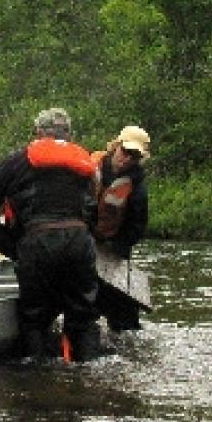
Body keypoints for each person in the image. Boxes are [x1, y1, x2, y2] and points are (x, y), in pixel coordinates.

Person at [0, 108, 101, 361]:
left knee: (34, 317)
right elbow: (92, 212)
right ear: (69, 135)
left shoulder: (22, 159)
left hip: (38, 244)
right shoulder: (86, 165)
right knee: (83, 317)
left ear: (37, 132)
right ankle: (87, 371)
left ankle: (33, 374)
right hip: (80, 243)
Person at [90, 125, 151, 330]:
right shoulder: (89, 168)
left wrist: (114, 247)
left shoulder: (137, 190)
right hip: (82, 241)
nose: (126, 159)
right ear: (115, 146)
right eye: (125, 152)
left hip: (114, 250)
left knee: (123, 313)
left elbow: (136, 228)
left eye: (134, 156)